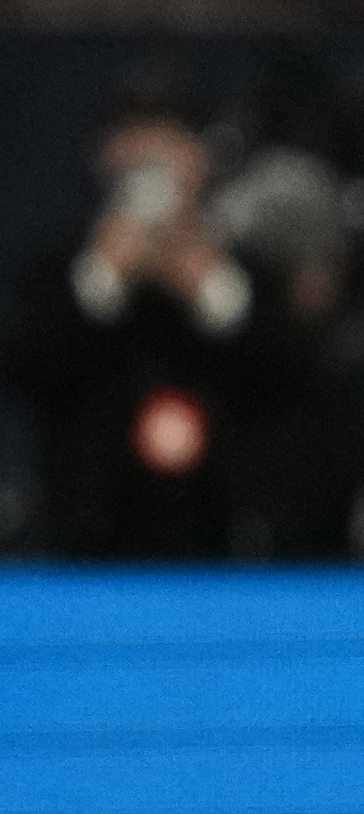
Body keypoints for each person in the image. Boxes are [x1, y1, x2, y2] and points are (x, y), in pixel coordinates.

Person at [1, 71, 270, 559]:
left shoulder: (251, 274)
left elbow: (286, 384)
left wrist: (213, 291)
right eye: (135, 142)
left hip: (227, 542)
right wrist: (102, 279)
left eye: (171, 142)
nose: (153, 163)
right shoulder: (54, 273)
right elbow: (29, 373)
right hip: (81, 540)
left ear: (203, 161)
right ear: (104, 158)